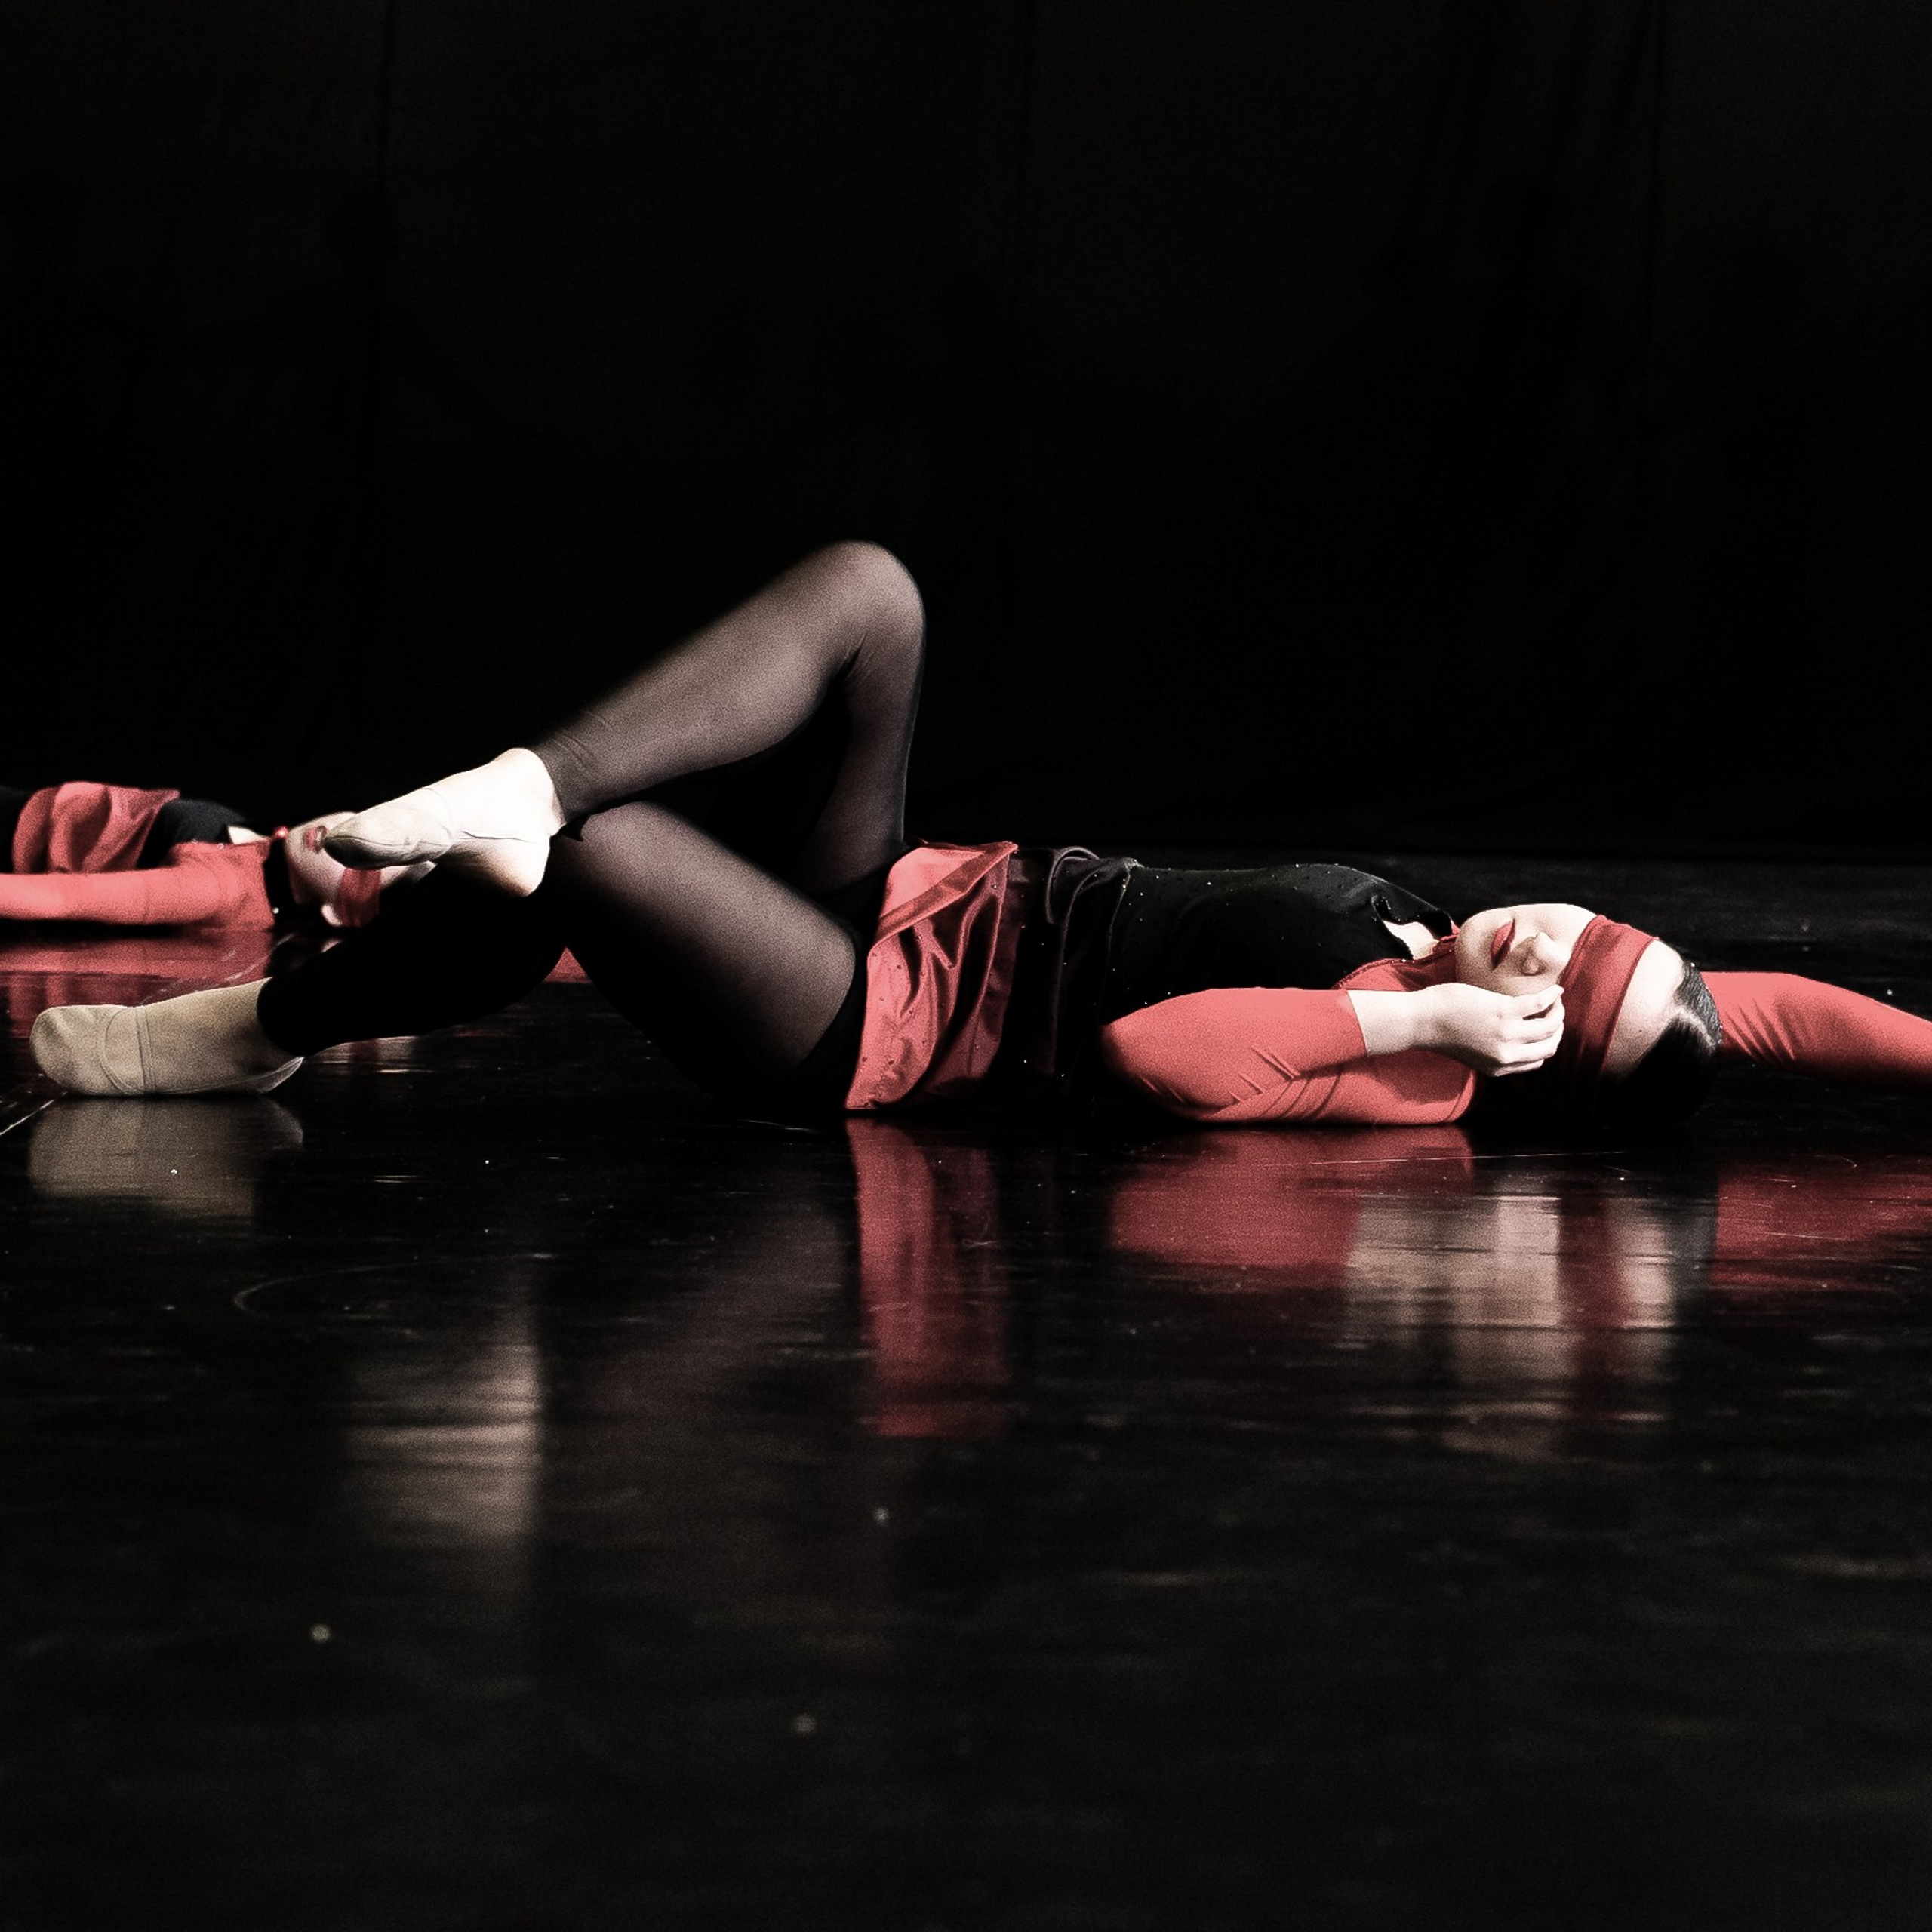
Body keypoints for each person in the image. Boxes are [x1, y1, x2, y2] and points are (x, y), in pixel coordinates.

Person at [26, 543, 1932, 1123]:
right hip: (923, 897)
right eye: (1583, 928)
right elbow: (1766, 1012)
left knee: (593, 858)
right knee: (875, 597)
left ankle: (264, 1023)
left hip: (873, 1029)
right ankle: (520, 778)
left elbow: (1149, 1055)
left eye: (1559, 990)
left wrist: (1413, 1022)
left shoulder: (1413, 1072)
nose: (1547, 941)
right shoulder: (1453, 935)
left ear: (1527, 1052)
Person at [0, 783, 425, 931]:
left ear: (337, 913)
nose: (341, 835)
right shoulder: (262, 853)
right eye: (366, 823)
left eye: (357, 859)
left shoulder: (218, 888)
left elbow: (65, 898)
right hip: (29, 807)